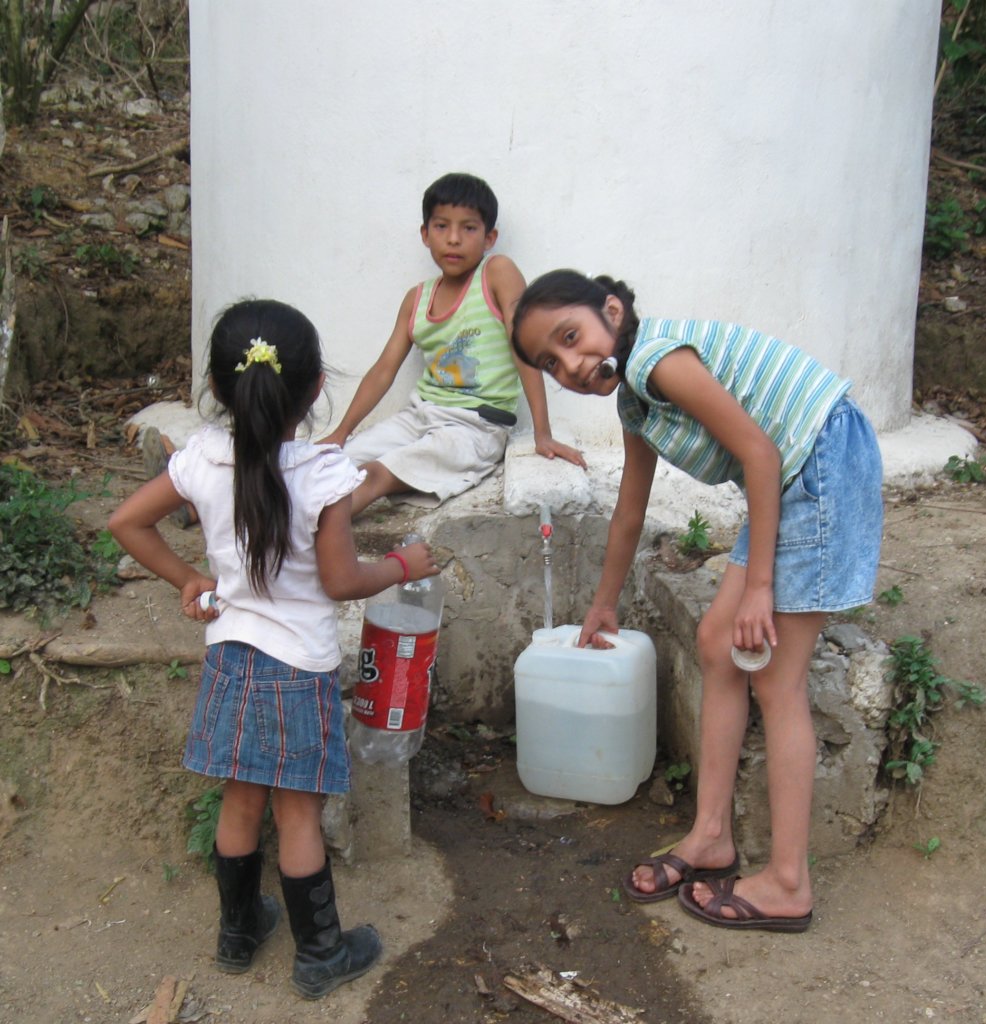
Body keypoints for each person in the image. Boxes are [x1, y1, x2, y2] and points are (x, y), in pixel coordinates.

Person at [511, 270, 883, 934]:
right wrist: (603, 603)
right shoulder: (634, 402)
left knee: (775, 676)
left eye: (570, 337)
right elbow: (630, 508)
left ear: (612, 309)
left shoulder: (658, 360)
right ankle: (711, 835)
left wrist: (760, 586)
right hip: (791, 474)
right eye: (550, 362)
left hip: (817, 465)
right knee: (717, 644)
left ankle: (788, 883)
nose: (569, 364)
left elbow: (760, 454)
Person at [109, 299, 439, 998]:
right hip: (299, 669)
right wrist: (407, 564)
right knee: (297, 813)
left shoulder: (201, 457)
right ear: (317, 387)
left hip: (231, 658)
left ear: (217, 387)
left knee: (240, 802)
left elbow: (126, 521)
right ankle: (320, 952)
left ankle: (237, 934)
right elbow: (344, 580)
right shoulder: (322, 475)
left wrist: (188, 577)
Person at [319, 172, 585, 515]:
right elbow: (384, 370)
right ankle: (284, 529)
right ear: (425, 234)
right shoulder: (416, 299)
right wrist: (341, 432)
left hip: (475, 428)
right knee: (335, 464)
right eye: (442, 226)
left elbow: (526, 349)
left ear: (490, 237)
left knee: (374, 476)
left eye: (469, 228)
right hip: (419, 417)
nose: (454, 239)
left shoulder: (497, 274)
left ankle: (308, 541)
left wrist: (542, 433)